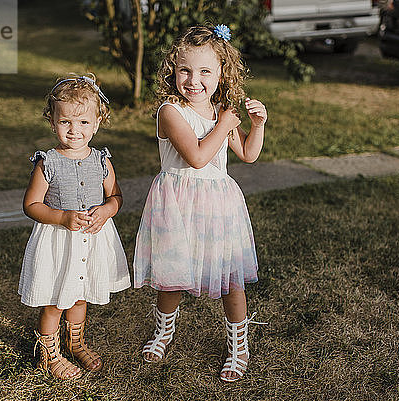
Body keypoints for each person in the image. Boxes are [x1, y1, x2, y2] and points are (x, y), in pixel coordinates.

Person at [133, 24, 268, 382]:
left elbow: (249, 154)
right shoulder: (170, 111)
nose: (194, 80)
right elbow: (195, 157)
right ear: (173, 69)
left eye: (205, 71)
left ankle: (239, 347)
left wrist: (256, 125)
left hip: (217, 206)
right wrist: (224, 125)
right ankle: (163, 332)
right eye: (185, 70)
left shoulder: (222, 110)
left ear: (223, 73)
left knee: (230, 281)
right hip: (177, 204)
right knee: (172, 277)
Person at [19, 75, 130, 379]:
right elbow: (31, 205)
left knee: (80, 295)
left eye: (83, 122)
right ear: (52, 121)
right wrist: (62, 217)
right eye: (65, 121)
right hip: (60, 240)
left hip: (92, 239)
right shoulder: (48, 162)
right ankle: (49, 354)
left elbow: (116, 196)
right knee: (58, 299)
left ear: (96, 123)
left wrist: (107, 210)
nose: (74, 130)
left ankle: (76, 342)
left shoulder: (102, 160)